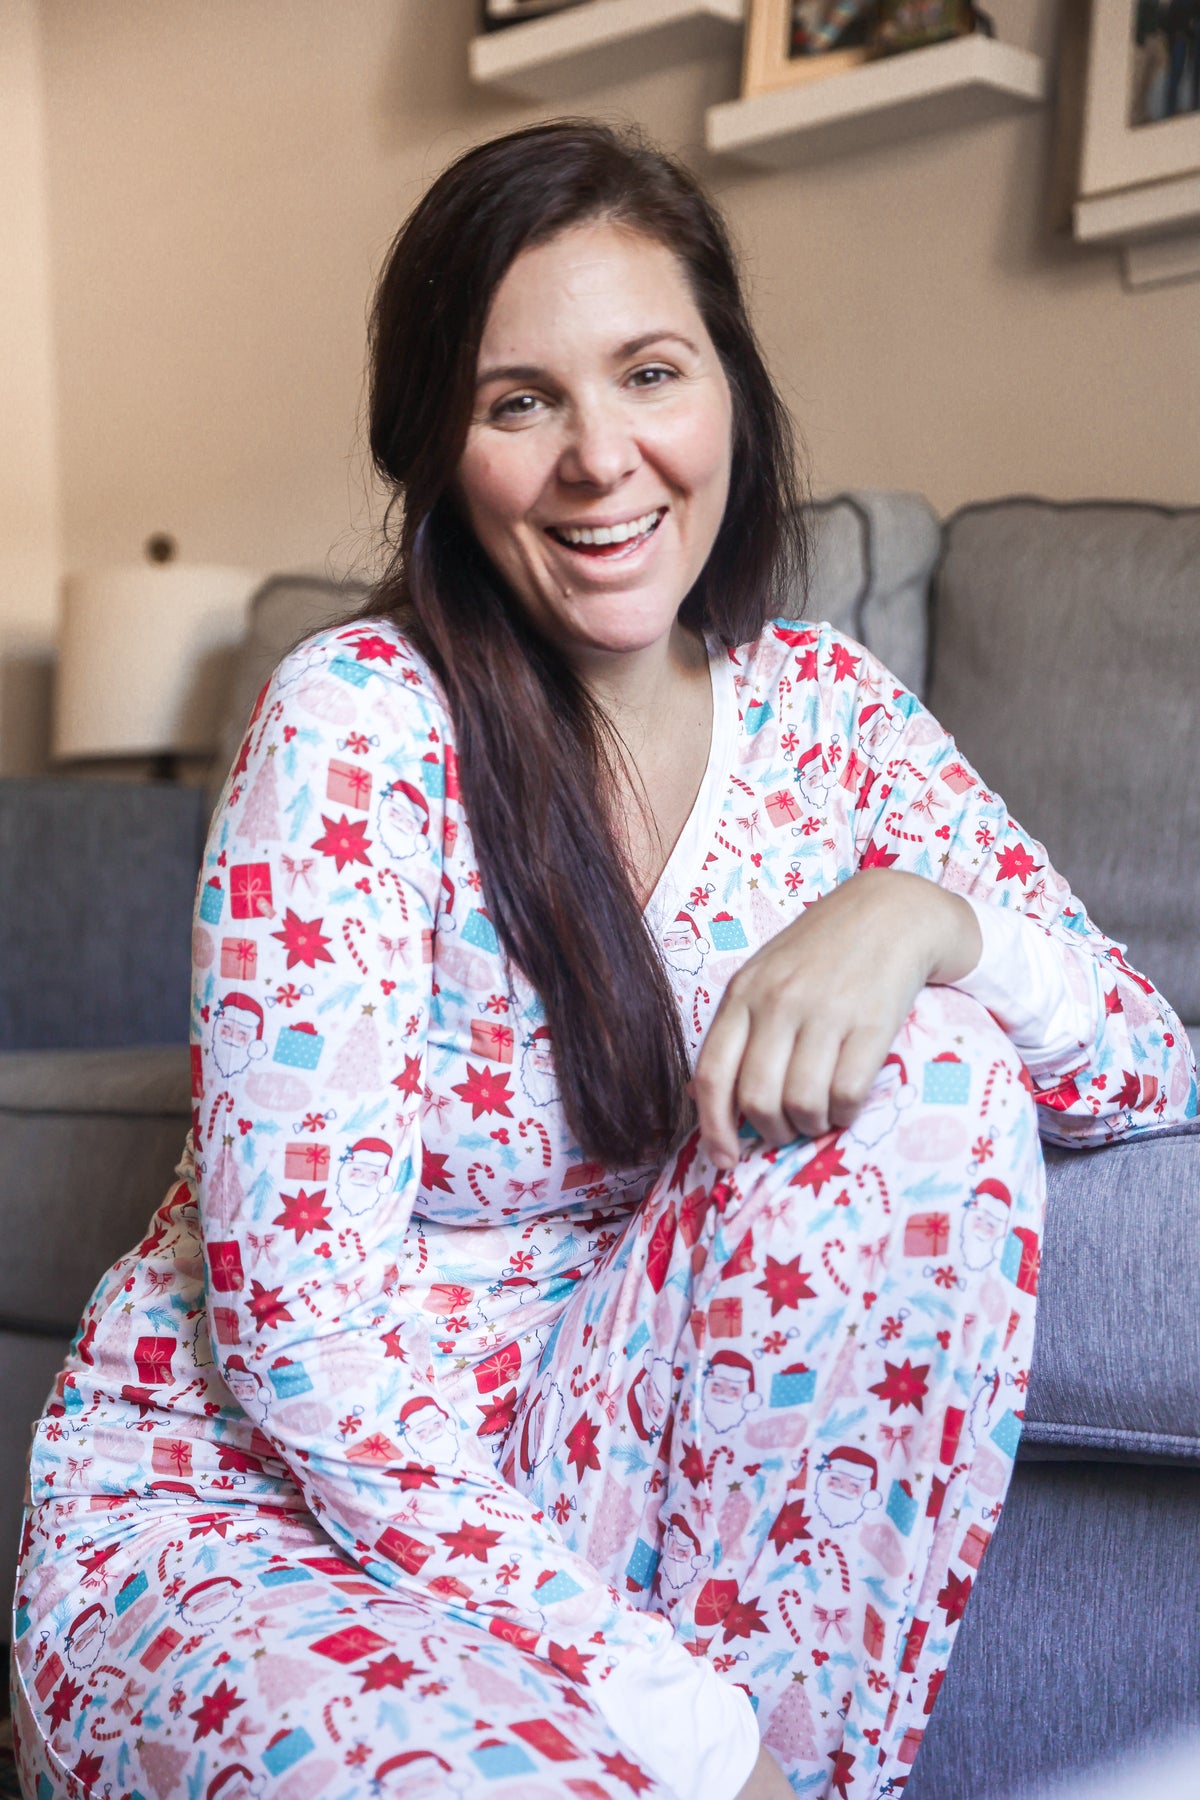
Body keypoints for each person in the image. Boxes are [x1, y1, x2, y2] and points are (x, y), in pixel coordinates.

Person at [12, 121, 1195, 1800]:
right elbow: (302, 1344)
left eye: (649, 373)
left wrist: (930, 918)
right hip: (269, 1510)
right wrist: (687, 1727)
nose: (599, 459)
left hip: (603, 1473)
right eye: (520, 401)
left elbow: (1151, 1064)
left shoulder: (833, 717)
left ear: (731, 395)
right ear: (441, 450)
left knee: (937, 1059)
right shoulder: (356, 723)